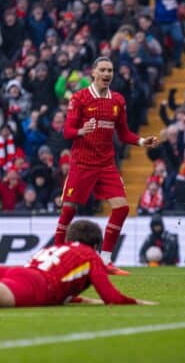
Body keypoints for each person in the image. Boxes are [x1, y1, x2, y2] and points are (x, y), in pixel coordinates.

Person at [52, 57, 160, 275]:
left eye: (110, 70)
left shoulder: (117, 100)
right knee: (68, 211)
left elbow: (123, 133)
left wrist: (140, 141)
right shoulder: (80, 98)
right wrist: (82, 131)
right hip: (82, 163)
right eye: (102, 70)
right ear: (93, 72)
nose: (107, 74)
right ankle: (55, 257)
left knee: (121, 208)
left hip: (106, 163)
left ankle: (105, 260)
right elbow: (67, 131)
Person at [0, 220, 156, 307]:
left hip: (17, 272)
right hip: (37, 285)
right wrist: (138, 302)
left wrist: (88, 301)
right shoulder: (89, 255)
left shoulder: (57, 247)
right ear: (95, 246)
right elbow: (111, 297)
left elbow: (63, 291)